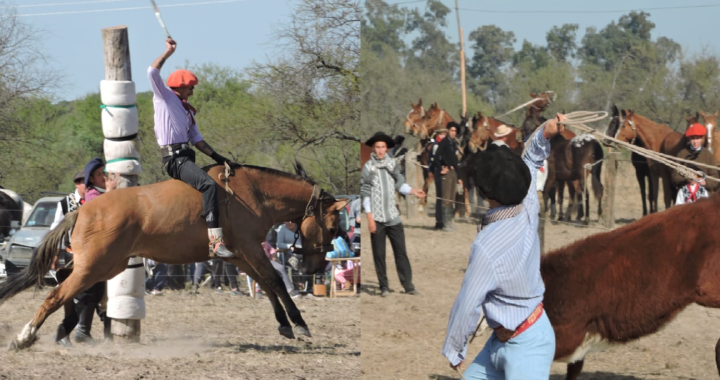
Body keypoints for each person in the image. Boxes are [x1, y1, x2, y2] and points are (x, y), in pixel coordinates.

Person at [441, 114, 567, 379]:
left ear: (486, 192)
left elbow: (468, 302)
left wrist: (455, 349)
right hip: (516, 337)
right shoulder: (528, 204)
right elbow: (532, 161)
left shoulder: (486, 246)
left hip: (526, 345)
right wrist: (545, 133)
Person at [149, 37, 234, 258]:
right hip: (174, 160)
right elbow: (151, 73)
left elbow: (198, 141)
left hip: (188, 157)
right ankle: (215, 243)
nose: (192, 92)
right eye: (190, 88)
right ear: (180, 86)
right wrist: (168, 52)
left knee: (219, 182)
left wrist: (220, 158)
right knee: (208, 185)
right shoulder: (164, 98)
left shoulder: (189, 113)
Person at [361, 132, 425, 298]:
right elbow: (366, 193)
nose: (380, 150)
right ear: (374, 149)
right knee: (379, 254)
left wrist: (413, 191)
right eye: (377, 147)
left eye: (383, 147)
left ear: (387, 148)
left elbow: (400, 185)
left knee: (401, 252)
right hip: (377, 218)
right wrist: (369, 218)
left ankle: (408, 285)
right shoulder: (368, 167)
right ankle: (383, 286)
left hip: (393, 216)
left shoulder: (392, 165)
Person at [671, 123, 719, 193]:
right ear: (689, 139)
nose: (695, 142)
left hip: (704, 195)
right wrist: (686, 180)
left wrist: (705, 182)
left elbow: (715, 177)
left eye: (698, 138)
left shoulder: (708, 155)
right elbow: (675, 177)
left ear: (702, 139)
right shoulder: (682, 154)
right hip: (686, 193)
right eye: (693, 139)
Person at [437, 122, 462, 231]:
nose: (453, 133)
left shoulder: (454, 143)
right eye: (452, 130)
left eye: (455, 131)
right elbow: (437, 156)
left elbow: (456, 161)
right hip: (447, 173)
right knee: (446, 198)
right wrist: (441, 169)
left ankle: (449, 222)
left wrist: (459, 177)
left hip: (454, 172)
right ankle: (445, 224)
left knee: (452, 198)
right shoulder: (444, 142)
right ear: (448, 131)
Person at [429, 128, 447, 230]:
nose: (443, 136)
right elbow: (436, 160)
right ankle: (439, 222)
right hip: (439, 172)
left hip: (444, 171)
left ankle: (443, 220)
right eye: (441, 134)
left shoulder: (443, 144)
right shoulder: (436, 145)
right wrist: (440, 169)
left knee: (444, 196)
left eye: (444, 134)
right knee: (440, 197)